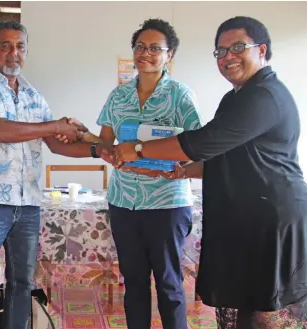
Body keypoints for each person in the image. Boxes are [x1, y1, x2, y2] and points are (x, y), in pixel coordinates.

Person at [111, 16, 307, 328]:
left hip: (269, 222)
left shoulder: (264, 95)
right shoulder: (236, 98)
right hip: (242, 219)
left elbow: (203, 141)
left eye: (238, 47)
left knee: (265, 313)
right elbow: (224, 155)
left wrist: (138, 149)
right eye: (221, 51)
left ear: (262, 50)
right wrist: (184, 171)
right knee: (240, 309)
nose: (228, 56)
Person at [0, 21, 111, 329]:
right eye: (6, 46)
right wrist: (56, 125)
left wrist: (100, 151)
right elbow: (0, 131)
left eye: (20, 47)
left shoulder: (32, 94)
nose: (14, 54)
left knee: (22, 284)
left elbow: (56, 144)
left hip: (28, 204)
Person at [72, 18, 201, 329]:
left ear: (169, 55)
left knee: (169, 285)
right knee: (134, 283)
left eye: (155, 48)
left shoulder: (181, 95)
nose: (146, 53)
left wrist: (158, 156)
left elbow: (195, 145)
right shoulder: (118, 96)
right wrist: (97, 145)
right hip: (124, 202)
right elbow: (105, 140)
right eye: (140, 47)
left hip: (167, 202)